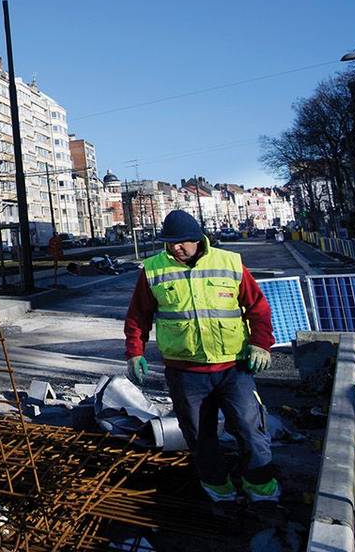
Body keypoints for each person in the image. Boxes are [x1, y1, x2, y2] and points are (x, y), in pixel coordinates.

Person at [123, 209, 278, 503]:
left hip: (234, 367)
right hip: (185, 372)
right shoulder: (154, 269)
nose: (174, 248)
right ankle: (218, 487)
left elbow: (258, 307)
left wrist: (261, 344)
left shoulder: (229, 262)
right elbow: (138, 316)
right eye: (169, 243)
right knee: (198, 434)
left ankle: (261, 486)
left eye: (180, 242)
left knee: (250, 428)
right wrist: (134, 352)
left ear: (197, 239)